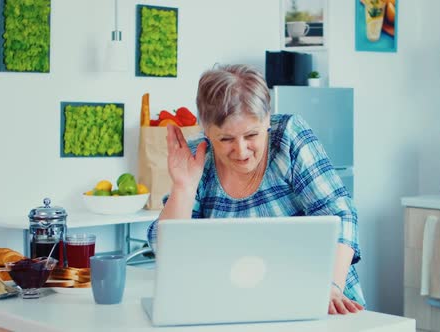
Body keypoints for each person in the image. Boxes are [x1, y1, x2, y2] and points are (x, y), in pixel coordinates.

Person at [147, 64, 365, 315]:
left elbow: (342, 216)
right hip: (237, 304)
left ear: (267, 120)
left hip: (321, 295)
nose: (241, 151)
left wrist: (331, 286)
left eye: (251, 135)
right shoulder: (198, 158)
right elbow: (166, 251)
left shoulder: (288, 137)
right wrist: (183, 187)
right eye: (226, 139)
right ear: (206, 130)